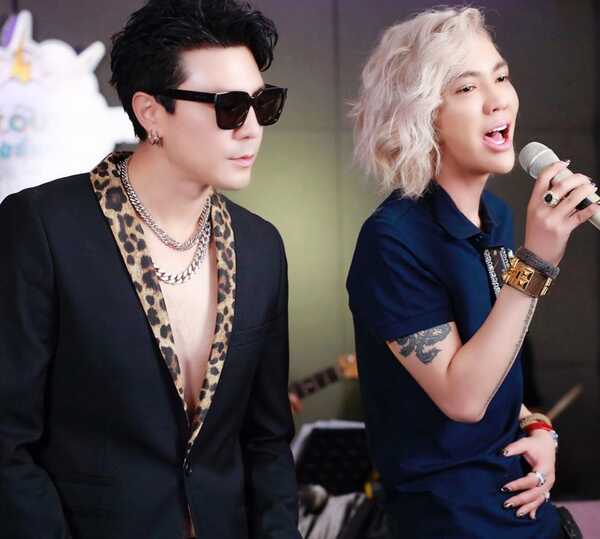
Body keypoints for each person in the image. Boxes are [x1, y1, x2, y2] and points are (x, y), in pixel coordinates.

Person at [0, 1, 300, 538]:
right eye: (231, 107)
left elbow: (268, 440)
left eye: (263, 104)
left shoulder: (260, 247)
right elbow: (7, 441)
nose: (252, 129)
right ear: (151, 112)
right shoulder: (43, 226)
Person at [346, 7, 597, 538]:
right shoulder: (392, 241)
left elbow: (495, 364)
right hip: (452, 524)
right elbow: (463, 398)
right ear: (422, 116)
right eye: (466, 88)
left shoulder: (496, 218)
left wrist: (538, 426)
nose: (498, 99)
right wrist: (536, 261)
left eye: (501, 77)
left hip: (525, 514)